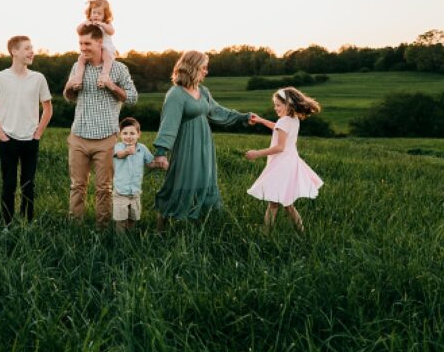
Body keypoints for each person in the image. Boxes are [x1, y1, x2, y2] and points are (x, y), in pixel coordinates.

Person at [152, 50, 256, 229]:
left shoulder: (203, 91)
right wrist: (161, 152)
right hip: (186, 145)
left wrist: (243, 117)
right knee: (179, 181)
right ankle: (160, 228)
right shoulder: (176, 94)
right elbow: (169, 124)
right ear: (192, 68)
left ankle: (198, 223)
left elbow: (218, 111)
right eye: (203, 68)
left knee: (204, 179)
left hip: (204, 143)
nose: (206, 72)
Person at [63, 23, 138, 229]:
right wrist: (70, 87)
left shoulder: (118, 69)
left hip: (106, 138)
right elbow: (69, 97)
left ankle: (102, 228)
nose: (83, 48)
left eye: (87, 43)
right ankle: (75, 227)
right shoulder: (77, 67)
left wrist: (111, 85)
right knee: (77, 185)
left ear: (99, 42)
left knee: (104, 188)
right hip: (79, 135)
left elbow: (132, 98)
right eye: (80, 43)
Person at [0, 35, 53, 225]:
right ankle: (6, 224)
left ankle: (27, 222)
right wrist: (1, 135)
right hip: (8, 139)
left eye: (32, 48)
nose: (32, 52)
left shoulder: (38, 78)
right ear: (14, 51)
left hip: (31, 140)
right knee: (8, 185)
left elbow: (48, 108)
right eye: (27, 48)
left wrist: (38, 134)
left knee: (28, 185)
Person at [245, 87, 324, 234]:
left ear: (289, 105)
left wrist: (257, 153)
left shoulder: (284, 121)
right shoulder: (293, 119)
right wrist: (261, 120)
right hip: (290, 163)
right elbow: (278, 127)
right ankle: (301, 232)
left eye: (278, 105)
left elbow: (280, 147)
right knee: (287, 203)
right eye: (275, 105)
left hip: (281, 165)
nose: (275, 108)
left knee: (274, 202)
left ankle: (265, 233)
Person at [112, 116, 157, 234]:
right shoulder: (118, 147)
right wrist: (127, 151)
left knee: (133, 218)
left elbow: (150, 163)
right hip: (121, 192)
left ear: (138, 134)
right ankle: (120, 239)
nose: (129, 136)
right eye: (125, 133)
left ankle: (130, 236)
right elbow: (120, 155)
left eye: (132, 133)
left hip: (135, 192)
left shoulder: (142, 148)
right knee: (121, 219)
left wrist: (159, 163)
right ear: (120, 134)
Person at [70, 0, 118, 89]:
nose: (96, 15)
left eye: (99, 13)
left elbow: (111, 32)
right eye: (94, 12)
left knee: (107, 58)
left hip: (105, 48)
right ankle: (78, 79)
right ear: (90, 13)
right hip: (91, 49)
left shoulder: (106, 23)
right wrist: (84, 24)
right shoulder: (88, 22)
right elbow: (78, 30)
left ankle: (104, 76)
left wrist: (102, 25)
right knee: (81, 59)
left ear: (105, 15)